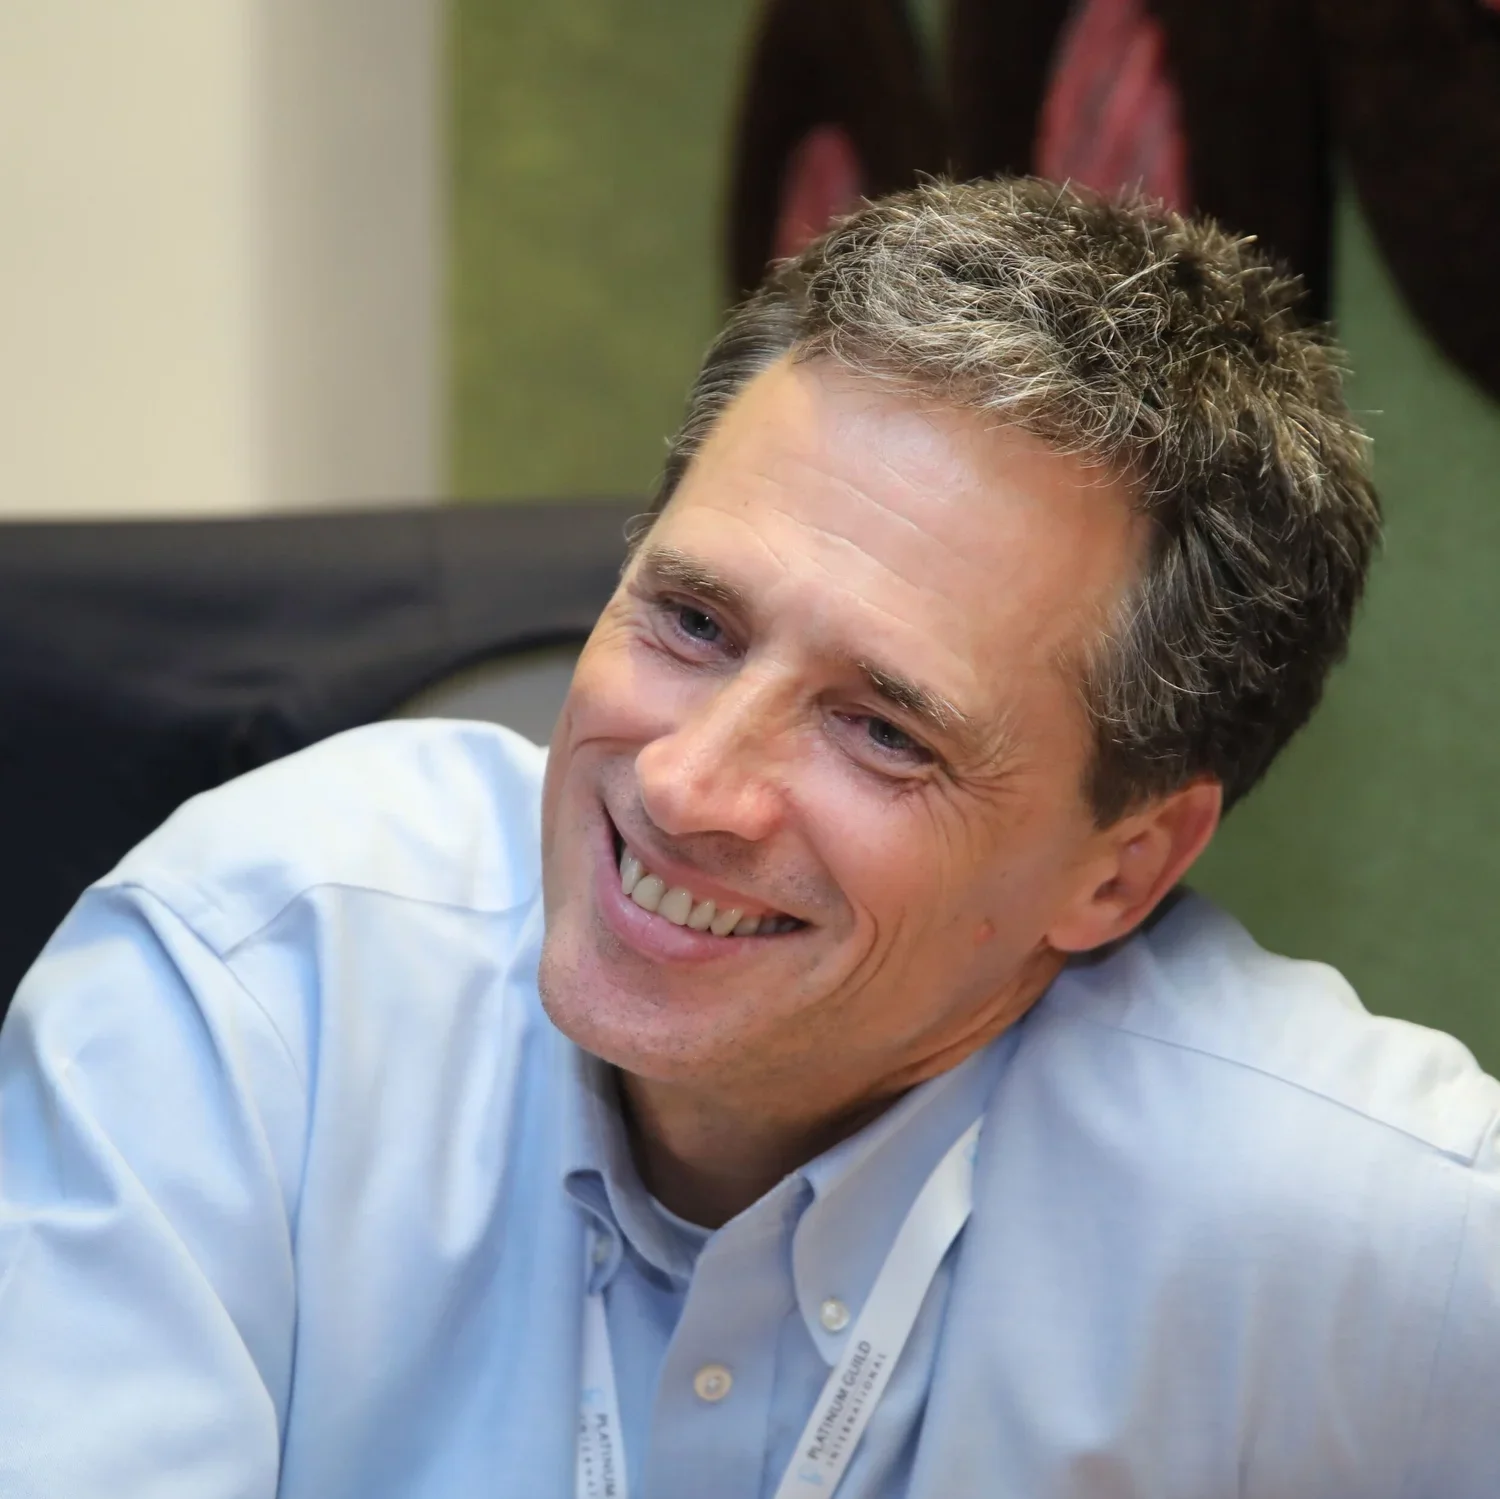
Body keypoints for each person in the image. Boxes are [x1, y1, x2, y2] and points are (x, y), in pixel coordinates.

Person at [1, 178, 1495, 1498]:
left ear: (1123, 867)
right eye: (694, 621)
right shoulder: (261, 981)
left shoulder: (1367, 1227)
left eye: (884, 730)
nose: (689, 783)